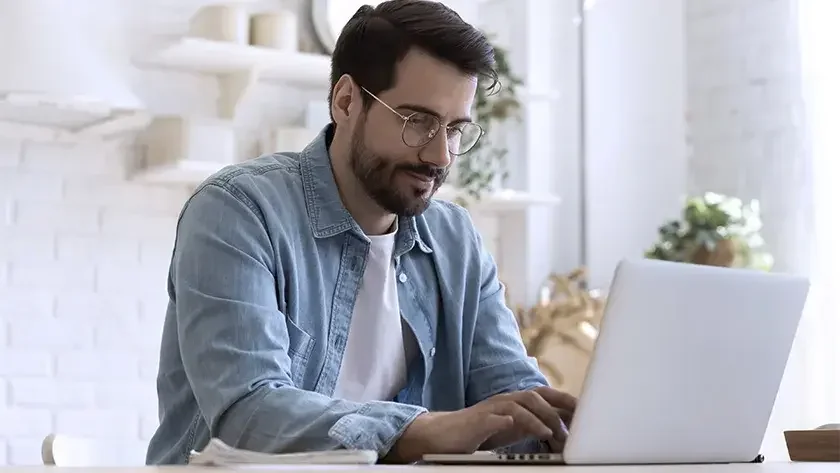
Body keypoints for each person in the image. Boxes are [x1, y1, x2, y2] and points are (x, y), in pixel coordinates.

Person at [145, 0, 577, 465]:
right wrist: (426, 430)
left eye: (454, 129)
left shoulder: (457, 241)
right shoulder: (238, 212)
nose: (440, 156)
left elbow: (511, 394)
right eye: (418, 122)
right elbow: (247, 414)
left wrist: (564, 427)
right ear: (346, 101)